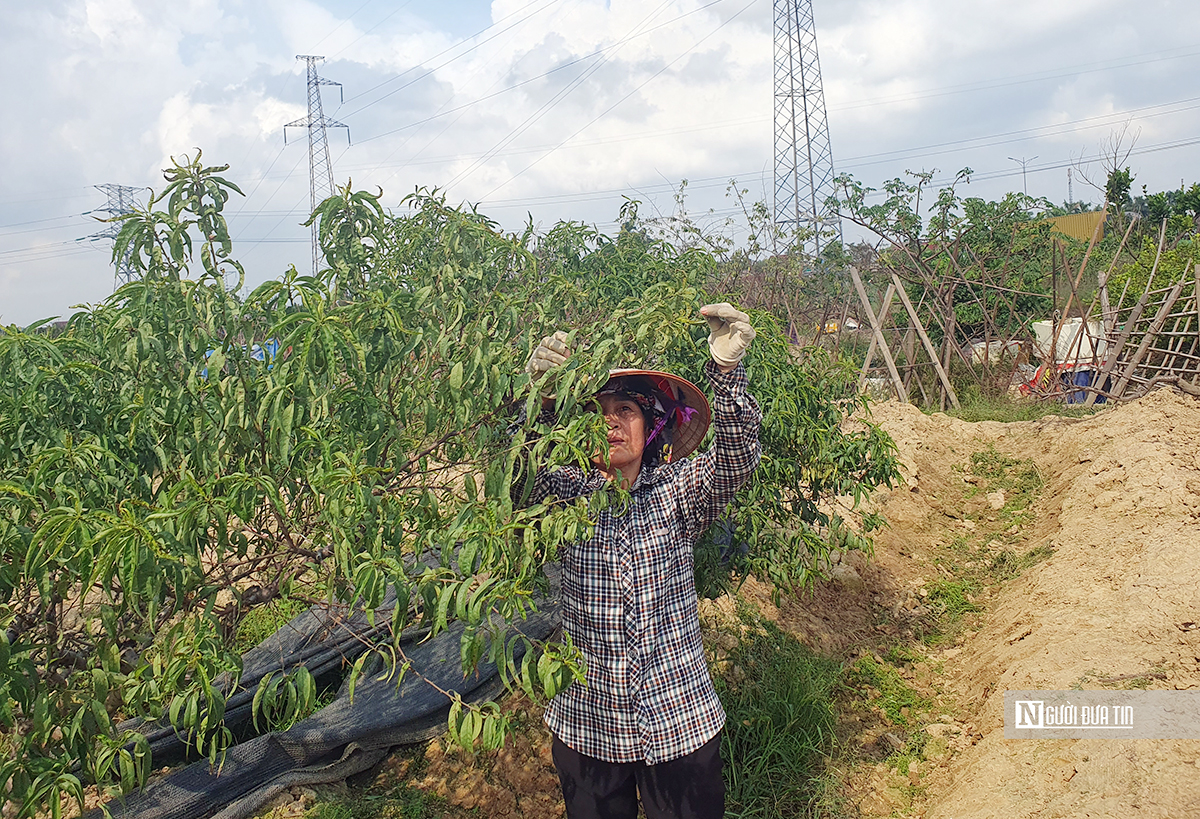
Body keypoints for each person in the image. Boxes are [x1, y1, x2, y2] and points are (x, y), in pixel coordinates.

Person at [522, 303, 762, 819]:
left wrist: (726, 372)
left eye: (625, 411)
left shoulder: (679, 490)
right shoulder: (567, 494)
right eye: (600, 413)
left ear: (652, 427)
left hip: (679, 720)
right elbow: (517, 482)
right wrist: (537, 400)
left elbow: (735, 464)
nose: (611, 423)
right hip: (589, 723)